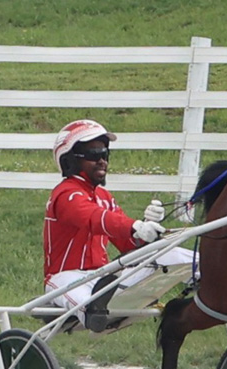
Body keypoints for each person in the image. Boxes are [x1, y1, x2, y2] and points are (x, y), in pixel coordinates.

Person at [44, 119, 196, 331]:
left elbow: (128, 244)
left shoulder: (104, 197)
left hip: (103, 278)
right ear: (70, 160)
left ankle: (211, 275)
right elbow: (93, 217)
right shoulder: (65, 194)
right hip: (65, 278)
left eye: (105, 154)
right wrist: (135, 226)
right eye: (93, 154)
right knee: (81, 297)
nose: (102, 161)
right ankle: (92, 313)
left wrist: (148, 228)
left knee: (168, 253)